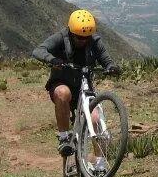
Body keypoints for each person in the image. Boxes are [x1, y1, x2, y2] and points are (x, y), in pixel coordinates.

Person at [32, 10, 121, 163]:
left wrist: (111, 67)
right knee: (62, 93)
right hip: (62, 82)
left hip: (85, 88)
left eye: (86, 37)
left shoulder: (94, 41)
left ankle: (100, 164)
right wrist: (52, 60)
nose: (83, 40)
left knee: (95, 120)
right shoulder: (60, 38)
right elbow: (38, 50)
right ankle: (64, 138)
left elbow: (106, 60)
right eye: (79, 37)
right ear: (71, 32)